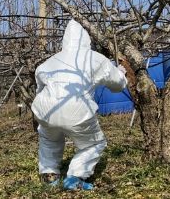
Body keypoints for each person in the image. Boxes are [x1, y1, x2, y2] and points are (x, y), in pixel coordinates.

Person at [31, 20, 127, 191]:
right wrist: (121, 73)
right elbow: (117, 84)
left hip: (45, 109)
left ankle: (49, 176)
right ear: (86, 39)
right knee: (93, 144)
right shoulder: (94, 58)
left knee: (49, 139)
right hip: (76, 109)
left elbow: (39, 87)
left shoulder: (50, 61)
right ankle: (75, 177)